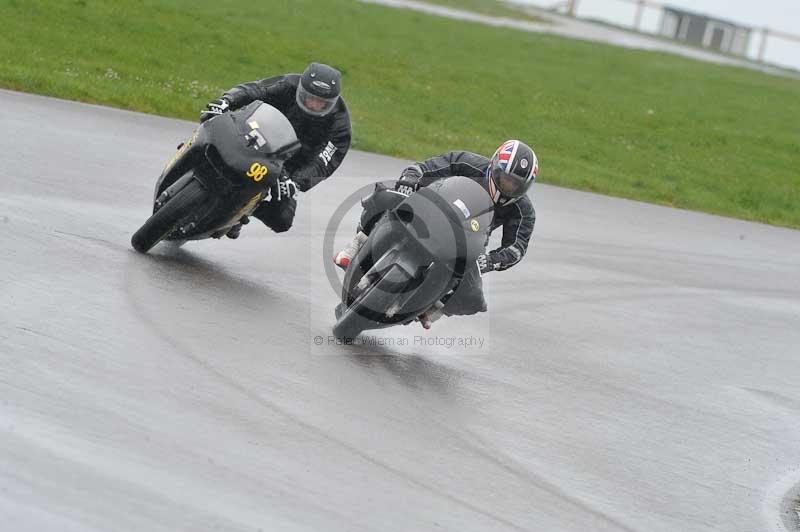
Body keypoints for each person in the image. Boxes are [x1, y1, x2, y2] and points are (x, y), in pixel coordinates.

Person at [333, 140, 538, 329]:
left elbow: (516, 248)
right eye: (505, 180)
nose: (509, 188)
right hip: (432, 211)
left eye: (516, 185)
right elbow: (426, 167)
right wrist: (410, 178)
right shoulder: (468, 163)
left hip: (468, 240)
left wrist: (490, 261)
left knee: (474, 298)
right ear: (494, 167)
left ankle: (432, 307)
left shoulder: (524, 211)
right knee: (385, 195)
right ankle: (357, 244)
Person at [200, 62, 351, 238]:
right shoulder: (288, 84)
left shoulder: (340, 126)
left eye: (321, 102)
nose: (314, 105)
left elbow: (323, 164)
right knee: (212, 122)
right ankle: (193, 150)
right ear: (301, 90)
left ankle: (242, 212)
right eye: (310, 97)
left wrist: (296, 182)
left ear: (331, 102)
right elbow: (256, 90)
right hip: (253, 135)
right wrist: (227, 100)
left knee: (283, 220)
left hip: (285, 168)